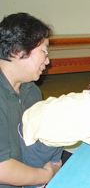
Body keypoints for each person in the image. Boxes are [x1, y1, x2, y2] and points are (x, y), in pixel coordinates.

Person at [0, 13, 62, 188]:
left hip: (32, 168)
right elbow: (2, 170)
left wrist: (54, 163)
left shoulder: (31, 90)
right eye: (44, 51)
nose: (48, 61)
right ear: (19, 51)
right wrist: (47, 175)